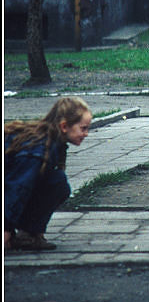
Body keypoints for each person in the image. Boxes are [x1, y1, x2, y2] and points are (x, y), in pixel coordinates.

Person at [4, 97, 92, 252]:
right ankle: (25, 233)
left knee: (57, 182)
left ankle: (29, 233)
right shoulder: (38, 149)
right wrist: (6, 226)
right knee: (56, 182)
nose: (86, 134)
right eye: (83, 128)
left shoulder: (52, 142)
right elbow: (18, 187)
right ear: (64, 126)